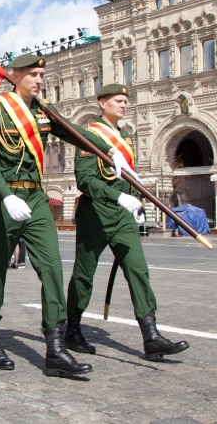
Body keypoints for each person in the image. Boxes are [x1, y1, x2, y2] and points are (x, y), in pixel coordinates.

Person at [0, 53, 135, 377]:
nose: (38, 80)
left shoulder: (42, 110)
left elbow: (72, 131)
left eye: (41, 75)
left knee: (51, 270)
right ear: (15, 75)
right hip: (3, 199)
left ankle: (55, 348)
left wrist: (108, 148)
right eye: (32, 74)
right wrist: (4, 195)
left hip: (35, 197)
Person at [66, 83, 189, 361]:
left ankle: (151, 336)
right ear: (102, 103)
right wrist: (117, 197)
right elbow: (85, 180)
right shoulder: (90, 135)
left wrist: (133, 200)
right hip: (96, 213)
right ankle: (72, 329)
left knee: (138, 270)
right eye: (117, 100)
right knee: (84, 275)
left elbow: (127, 177)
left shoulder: (125, 137)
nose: (123, 105)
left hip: (122, 217)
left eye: (125, 101)